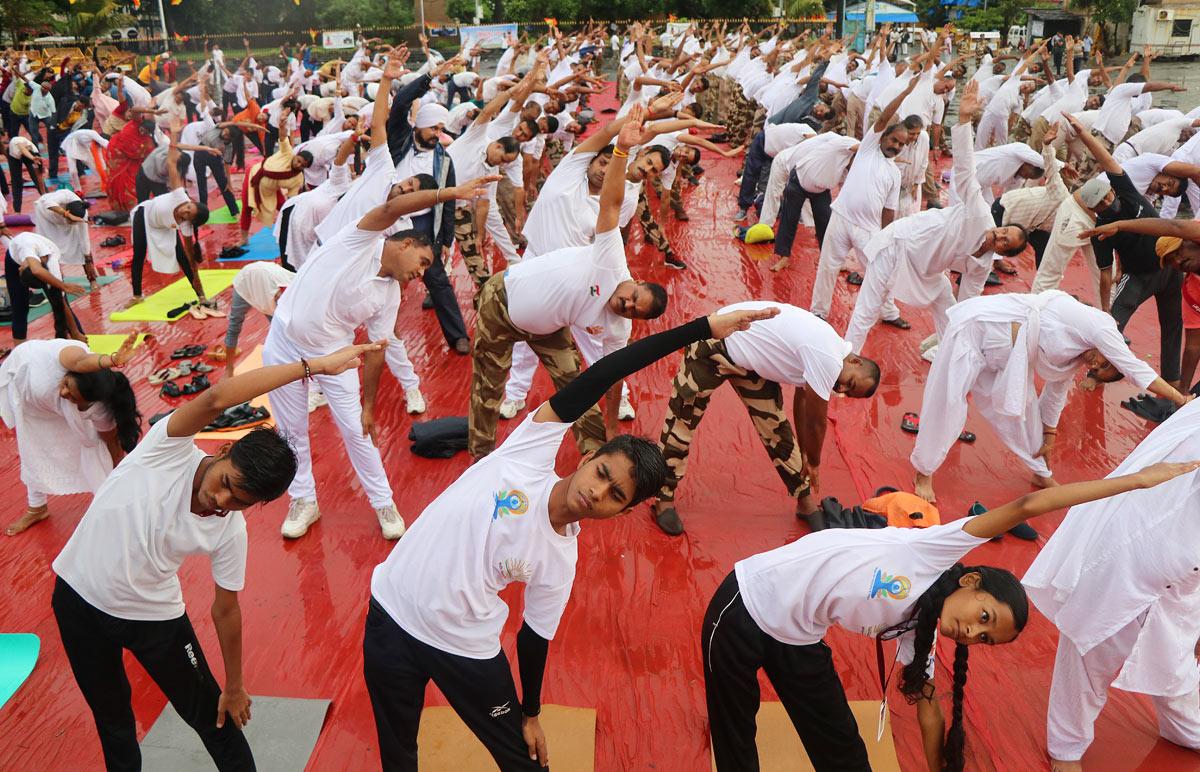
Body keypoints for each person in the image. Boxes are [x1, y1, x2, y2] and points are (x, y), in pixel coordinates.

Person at [364, 304, 778, 771]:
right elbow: (607, 371)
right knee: (397, 756)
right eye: (602, 473)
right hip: (389, 615)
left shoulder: (560, 560)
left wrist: (531, 712)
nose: (595, 492)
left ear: (621, 511)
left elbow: (534, 638)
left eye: (613, 495)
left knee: (524, 763)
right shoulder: (528, 452)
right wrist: (703, 328)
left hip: (466, 650)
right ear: (590, 455)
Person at [704, 459, 1198, 772]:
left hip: (798, 638)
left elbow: (929, 711)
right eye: (984, 616)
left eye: (984, 638)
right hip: (744, 605)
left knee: (846, 755)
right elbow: (1027, 504)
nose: (972, 631)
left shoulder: (919, 633)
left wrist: (942, 765)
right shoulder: (933, 550)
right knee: (736, 744)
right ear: (970, 582)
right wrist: (1135, 481)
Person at [51, 338, 378, 772]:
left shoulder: (230, 531)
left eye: (239, 501)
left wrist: (236, 684)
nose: (219, 500)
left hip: (154, 617)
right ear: (223, 451)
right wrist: (314, 366)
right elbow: (219, 396)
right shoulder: (166, 449)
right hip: (76, 600)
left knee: (215, 719)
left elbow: (226, 609)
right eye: (226, 482)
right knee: (113, 722)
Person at [264, 175, 492, 540]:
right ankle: (303, 500)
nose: (420, 275)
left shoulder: (390, 296)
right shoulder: (358, 240)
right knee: (291, 430)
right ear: (404, 244)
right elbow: (390, 208)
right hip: (284, 342)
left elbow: (375, 350)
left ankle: (383, 502)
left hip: (334, 355)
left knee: (358, 430)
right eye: (421, 262)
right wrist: (450, 193)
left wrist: (369, 404)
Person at [468, 107, 668, 460]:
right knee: (489, 386)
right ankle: (480, 457)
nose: (629, 305)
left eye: (636, 312)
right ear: (631, 280)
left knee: (581, 385)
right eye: (634, 297)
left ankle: (595, 452)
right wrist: (623, 146)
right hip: (515, 289)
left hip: (558, 310)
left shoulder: (618, 320)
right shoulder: (572, 180)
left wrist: (610, 424)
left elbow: (611, 372)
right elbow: (613, 196)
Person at [1024, 402, 1200, 771]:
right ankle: (1066, 749)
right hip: (1130, 548)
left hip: (1185, 577)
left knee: (1175, 668)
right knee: (1089, 647)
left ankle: (1182, 726)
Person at [910, 291, 1189, 503]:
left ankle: (1040, 472)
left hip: (1002, 361)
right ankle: (924, 472)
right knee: (948, 403)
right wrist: (1180, 398)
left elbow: (1054, 396)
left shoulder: (1074, 358)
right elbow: (1134, 368)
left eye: (1098, 372)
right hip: (975, 330)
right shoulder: (1100, 326)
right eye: (1104, 364)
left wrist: (1049, 434)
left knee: (1024, 414)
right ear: (1113, 351)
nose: (1094, 366)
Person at [652, 300, 880, 535]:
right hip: (716, 344)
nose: (841, 388)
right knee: (681, 422)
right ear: (855, 361)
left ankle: (804, 500)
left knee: (776, 429)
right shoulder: (829, 358)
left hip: (751, 364)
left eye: (847, 392)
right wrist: (813, 462)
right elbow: (816, 421)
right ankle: (664, 498)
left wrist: (805, 449)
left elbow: (802, 402)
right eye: (850, 383)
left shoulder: (828, 354)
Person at [843, 81, 1029, 354]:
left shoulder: (981, 266)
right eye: (1004, 231)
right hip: (900, 244)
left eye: (1004, 242)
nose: (999, 236)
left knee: (952, 308)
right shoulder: (979, 214)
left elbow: (969, 300)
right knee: (868, 308)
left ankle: (950, 355)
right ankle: (848, 357)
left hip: (926, 269)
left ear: (1003, 252)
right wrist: (964, 120)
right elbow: (966, 169)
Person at [0, 334, 140, 536]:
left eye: (73, 397)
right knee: (31, 448)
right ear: (71, 373)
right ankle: (36, 508)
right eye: (66, 385)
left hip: (46, 400)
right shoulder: (70, 357)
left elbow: (111, 444)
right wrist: (112, 360)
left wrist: (117, 481)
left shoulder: (99, 407)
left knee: (95, 447)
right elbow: (82, 361)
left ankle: (110, 505)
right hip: (25, 385)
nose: (64, 393)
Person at [809, 74, 918, 325]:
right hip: (842, 217)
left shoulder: (894, 172)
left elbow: (889, 211)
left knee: (881, 273)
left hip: (868, 229)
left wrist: (886, 236)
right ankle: (818, 312)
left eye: (901, 144)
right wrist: (905, 94)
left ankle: (888, 312)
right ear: (882, 137)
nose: (897, 146)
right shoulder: (868, 147)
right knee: (828, 267)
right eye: (893, 140)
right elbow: (883, 117)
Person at [386, 53, 472, 355]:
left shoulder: (444, 160)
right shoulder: (398, 141)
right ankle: (381, 337)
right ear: (419, 125)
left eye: (441, 129)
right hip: (388, 221)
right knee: (381, 278)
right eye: (434, 128)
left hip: (423, 223)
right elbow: (399, 106)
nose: (439, 135)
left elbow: (447, 202)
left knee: (437, 277)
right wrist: (432, 75)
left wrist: (446, 240)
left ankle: (457, 335)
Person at [126, 130, 213, 315]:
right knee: (139, 254)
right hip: (145, 215)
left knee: (183, 258)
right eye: (188, 207)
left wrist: (203, 296)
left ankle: (200, 294)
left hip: (164, 227)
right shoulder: (179, 195)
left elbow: (191, 261)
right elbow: (172, 162)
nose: (185, 210)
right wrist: (173, 136)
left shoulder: (187, 226)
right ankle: (137, 295)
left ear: (190, 221)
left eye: (188, 214)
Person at [237, 106, 311, 245]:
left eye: (303, 166)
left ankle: (293, 234)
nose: (299, 165)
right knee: (247, 207)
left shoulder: (297, 179)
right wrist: (282, 124)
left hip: (271, 188)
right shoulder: (288, 153)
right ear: (296, 157)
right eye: (299, 161)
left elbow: (291, 200)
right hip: (254, 177)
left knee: (285, 208)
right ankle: (244, 239)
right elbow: (283, 137)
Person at [4, 230, 85, 343]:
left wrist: (76, 333)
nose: (19, 268)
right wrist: (64, 286)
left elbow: (61, 303)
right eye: (21, 270)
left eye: (21, 269)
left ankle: (79, 341)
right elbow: (36, 271)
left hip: (37, 257)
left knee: (60, 301)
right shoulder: (26, 250)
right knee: (19, 305)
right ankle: (19, 348)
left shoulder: (52, 266)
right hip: (12, 256)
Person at [32, 188, 97, 289]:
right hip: (45, 217)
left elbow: (84, 239)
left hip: (64, 217)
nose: (72, 223)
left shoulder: (82, 214)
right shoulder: (65, 194)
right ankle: (55, 280)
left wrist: (88, 260)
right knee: (47, 250)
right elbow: (47, 203)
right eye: (71, 221)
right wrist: (66, 215)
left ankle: (92, 279)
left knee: (81, 247)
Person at [103, 116, 158, 215]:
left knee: (132, 187)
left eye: (145, 132)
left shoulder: (148, 142)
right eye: (142, 130)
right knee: (116, 184)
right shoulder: (129, 129)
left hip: (133, 167)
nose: (142, 133)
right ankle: (120, 209)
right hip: (119, 163)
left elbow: (148, 156)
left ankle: (133, 210)